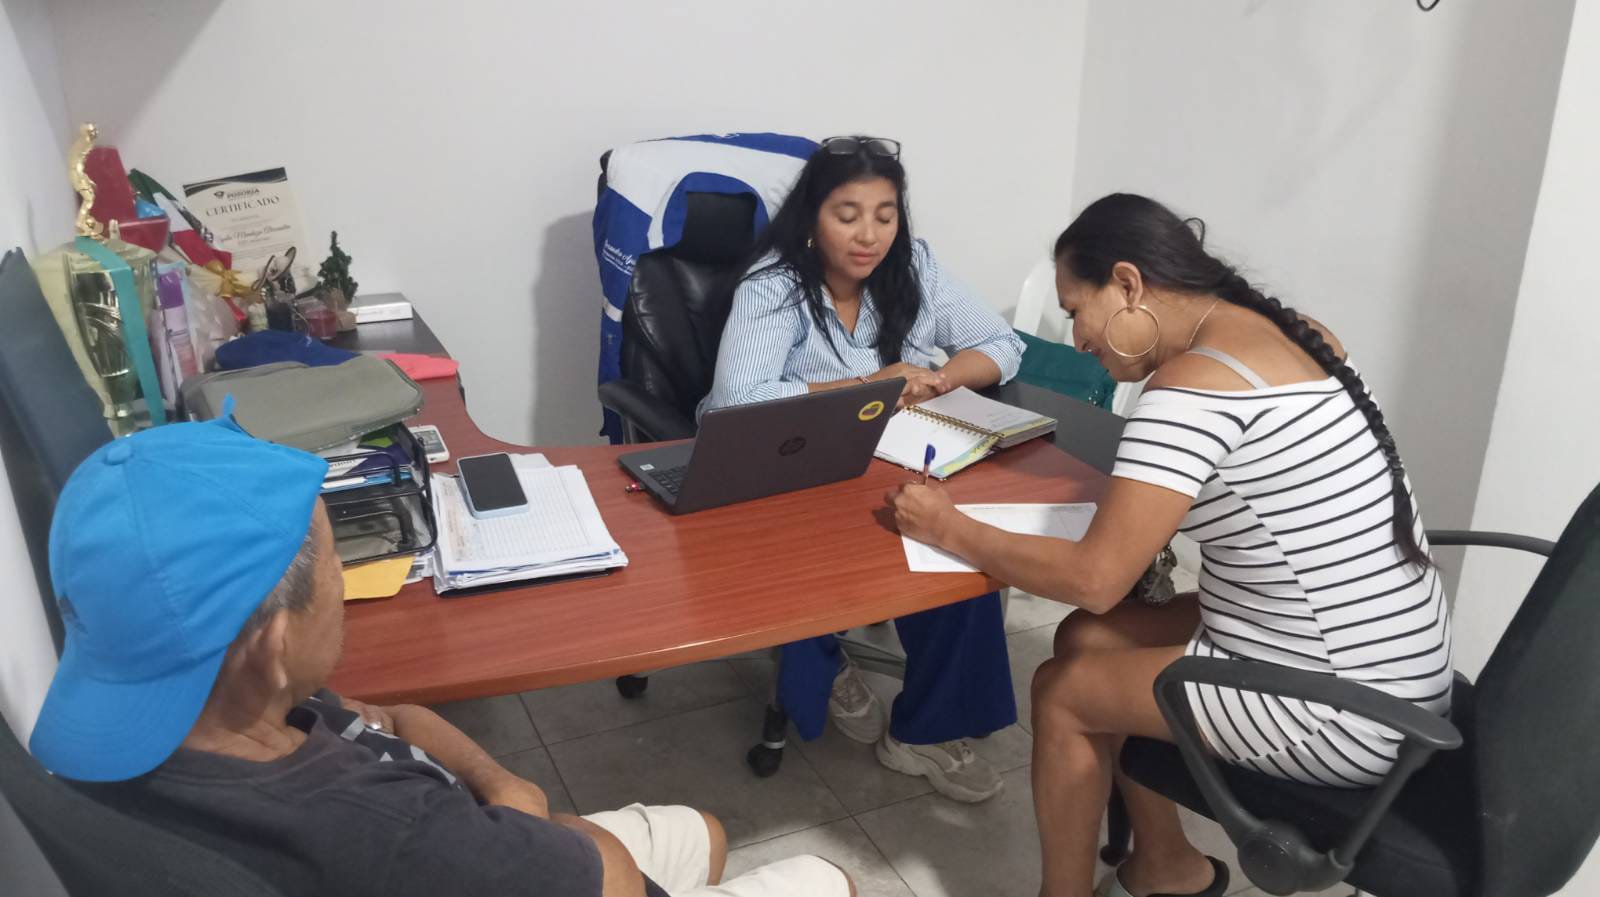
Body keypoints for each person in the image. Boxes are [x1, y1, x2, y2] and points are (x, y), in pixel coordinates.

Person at [886, 194, 1452, 897]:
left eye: (1075, 310)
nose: (1077, 337)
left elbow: (1096, 577)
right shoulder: (1303, 336)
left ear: (1128, 284)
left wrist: (949, 527)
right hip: (1401, 667)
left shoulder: (1190, 388)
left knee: (1063, 693)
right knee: (1089, 639)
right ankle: (1167, 865)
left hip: (1345, 711)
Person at [29, 415, 853, 897]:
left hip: (490, 842)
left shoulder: (145, 738)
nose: (345, 584)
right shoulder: (390, 831)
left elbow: (395, 718)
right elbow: (607, 875)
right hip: (523, 856)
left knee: (703, 831)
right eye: (338, 560)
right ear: (271, 644)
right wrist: (518, 803)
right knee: (829, 876)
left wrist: (502, 810)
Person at [700, 135, 1025, 802]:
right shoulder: (775, 285)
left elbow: (1002, 343)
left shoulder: (916, 266)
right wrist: (874, 386)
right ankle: (824, 663)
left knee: (959, 553)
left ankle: (925, 731)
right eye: (847, 215)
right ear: (812, 218)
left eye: (884, 214)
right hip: (789, 465)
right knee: (830, 554)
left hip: (892, 457)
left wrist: (939, 378)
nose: (869, 235)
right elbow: (739, 398)